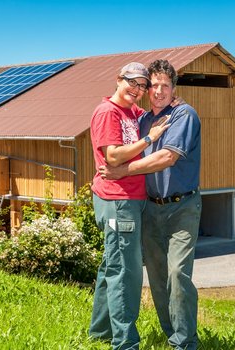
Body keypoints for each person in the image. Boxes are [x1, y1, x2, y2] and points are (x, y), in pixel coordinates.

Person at [100, 59, 202, 350]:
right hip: (151, 208)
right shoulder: (142, 120)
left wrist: (122, 171)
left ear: (174, 88)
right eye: (153, 85)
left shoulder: (184, 114)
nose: (158, 91)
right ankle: (172, 335)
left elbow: (166, 158)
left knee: (177, 274)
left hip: (182, 208)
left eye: (165, 86)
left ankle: (185, 343)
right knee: (157, 279)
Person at [88, 62, 170, 350]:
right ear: (118, 79)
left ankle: (100, 332)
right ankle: (124, 343)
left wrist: (176, 101)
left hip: (131, 198)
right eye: (132, 83)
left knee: (111, 265)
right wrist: (150, 138)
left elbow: (154, 113)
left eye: (141, 86)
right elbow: (113, 157)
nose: (137, 90)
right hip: (117, 199)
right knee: (126, 270)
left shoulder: (131, 112)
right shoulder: (107, 112)